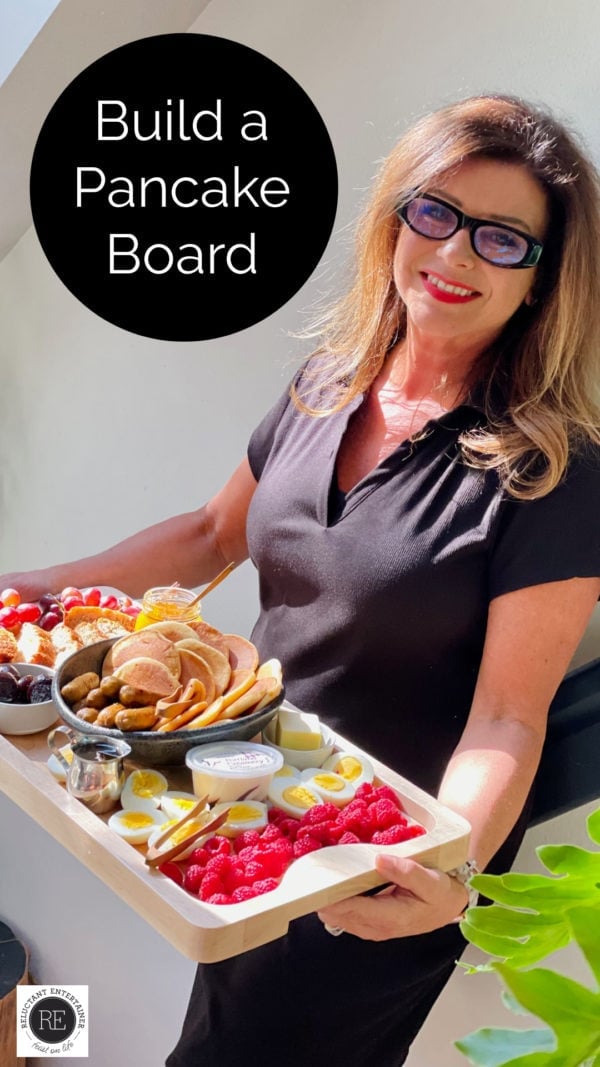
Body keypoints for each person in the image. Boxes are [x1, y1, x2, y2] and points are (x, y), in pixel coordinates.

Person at [3, 94, 600, 1065]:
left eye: (502, 239)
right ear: (397, 218)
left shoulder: (556, 471)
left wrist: (448, 865)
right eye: (436, 213)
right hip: (242, 803)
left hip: (375, 863)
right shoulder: (327, 382)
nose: (453, 256)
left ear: (542, 278)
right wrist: (29, 587)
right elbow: (208, 534)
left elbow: (507, 718)